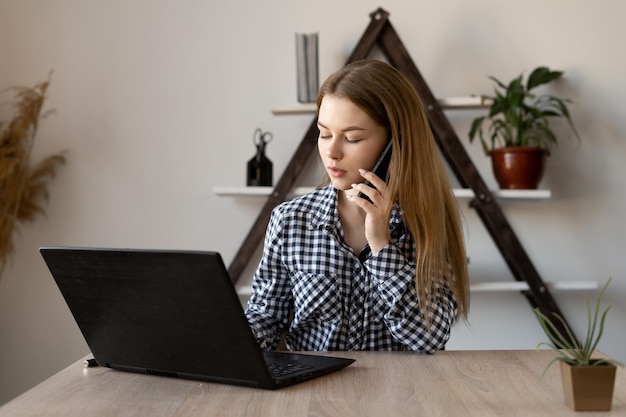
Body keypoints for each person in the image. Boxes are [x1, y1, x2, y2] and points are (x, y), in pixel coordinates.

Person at [245, 59, 469, 352]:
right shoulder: (290, 220)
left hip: (404, 394)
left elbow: (430, 339)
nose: (331, 152)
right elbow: (264, 319)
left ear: (395, 143)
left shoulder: (426, 223)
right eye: (324, 133)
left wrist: (381, 245)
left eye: (352, 138)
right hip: (315, 392)